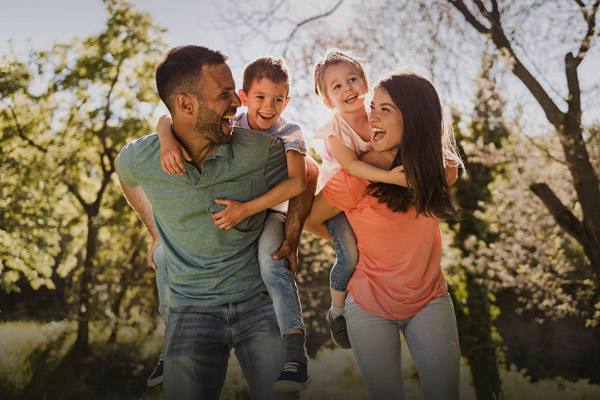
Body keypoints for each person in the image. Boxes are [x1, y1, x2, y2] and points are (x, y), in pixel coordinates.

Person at [116, 45, 312, 399]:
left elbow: (306, 176)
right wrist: (155, 233)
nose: (237, 103)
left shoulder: (261, 149)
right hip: (189, 310)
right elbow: (125, 176)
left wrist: (292, 235)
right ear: (186, 105)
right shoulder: (141, 157)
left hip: (259, 304)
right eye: (224, 95)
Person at [305, 70, 463, 400]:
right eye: (372, 106)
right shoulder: (355, 179)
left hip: (429, 298)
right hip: (369, 304)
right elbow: (310, 220)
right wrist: (354, 251)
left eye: (385, 109)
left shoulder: (443, 169)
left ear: (415, 117)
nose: (371, 115)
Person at [310, 49, 409, 349]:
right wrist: (392, 177)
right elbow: (352, 167)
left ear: (366, 84)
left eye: (352, 79)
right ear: (328, 100)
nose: (347, 88)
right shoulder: (334, 132)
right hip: (337, 200)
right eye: (336, 86)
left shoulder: (378, 114)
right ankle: (337, 311)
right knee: (349, 255)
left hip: (367, 194)